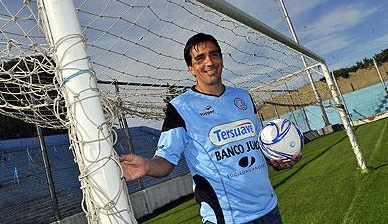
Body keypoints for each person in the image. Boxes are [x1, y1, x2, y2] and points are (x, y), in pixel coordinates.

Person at [120, 33, 301, 224]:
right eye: (200, 58)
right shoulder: (181, 107)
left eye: (214, 54)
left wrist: (275, 159)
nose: (209, 62)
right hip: (227, 218)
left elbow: (255, 145)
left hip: (269, 209)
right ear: (191, 68)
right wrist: (147, 166)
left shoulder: (243, 97)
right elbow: (165, 160)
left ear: (221, 59)